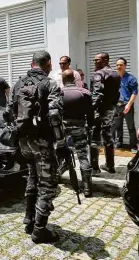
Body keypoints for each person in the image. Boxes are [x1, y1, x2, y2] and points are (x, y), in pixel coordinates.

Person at [5, 51, 63, 243]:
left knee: (32, 176)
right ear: (47, 63)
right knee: (48, 184)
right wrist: (61, 141)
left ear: (32, 64)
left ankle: (29, 218)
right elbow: (55, 115)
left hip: (24, 142)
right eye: (50, 64)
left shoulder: (18, 84)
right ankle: (39, 230)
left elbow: (8, 113)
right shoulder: (50, 84)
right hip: (42, 142)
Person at [61, 69, 94, 197]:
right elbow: (90, 113)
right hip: (79, 126)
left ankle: (55, 181)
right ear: (75, 79)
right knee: (82, 155)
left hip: (63, 128)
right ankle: (87, 188)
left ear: (63, 80)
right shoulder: (85, 93)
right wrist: (90, 127)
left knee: (59, 154)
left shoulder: (58, 92)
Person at [89, 52, 121, 176]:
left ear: (106, 60)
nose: (95, 62)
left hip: (99, 109)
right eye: (94, 60)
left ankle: (95, 168)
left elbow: (97, 93)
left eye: (98, 60)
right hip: (110, 108)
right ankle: (110, 165)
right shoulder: (116, 74)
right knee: (108, 136)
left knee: (94, 137)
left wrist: (91, 109)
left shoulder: (99, 73)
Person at [113, 57, 138, 152]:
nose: (118, 66)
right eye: (117, 65)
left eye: (121, 65)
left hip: (127, 105)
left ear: (125, 66)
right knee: (117, 126)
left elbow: (134, 92)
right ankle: (118, 143)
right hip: (116, 106)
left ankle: (134, 145)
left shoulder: (131, 78)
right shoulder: (113, 78)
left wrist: (129, 104)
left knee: (130, 127)